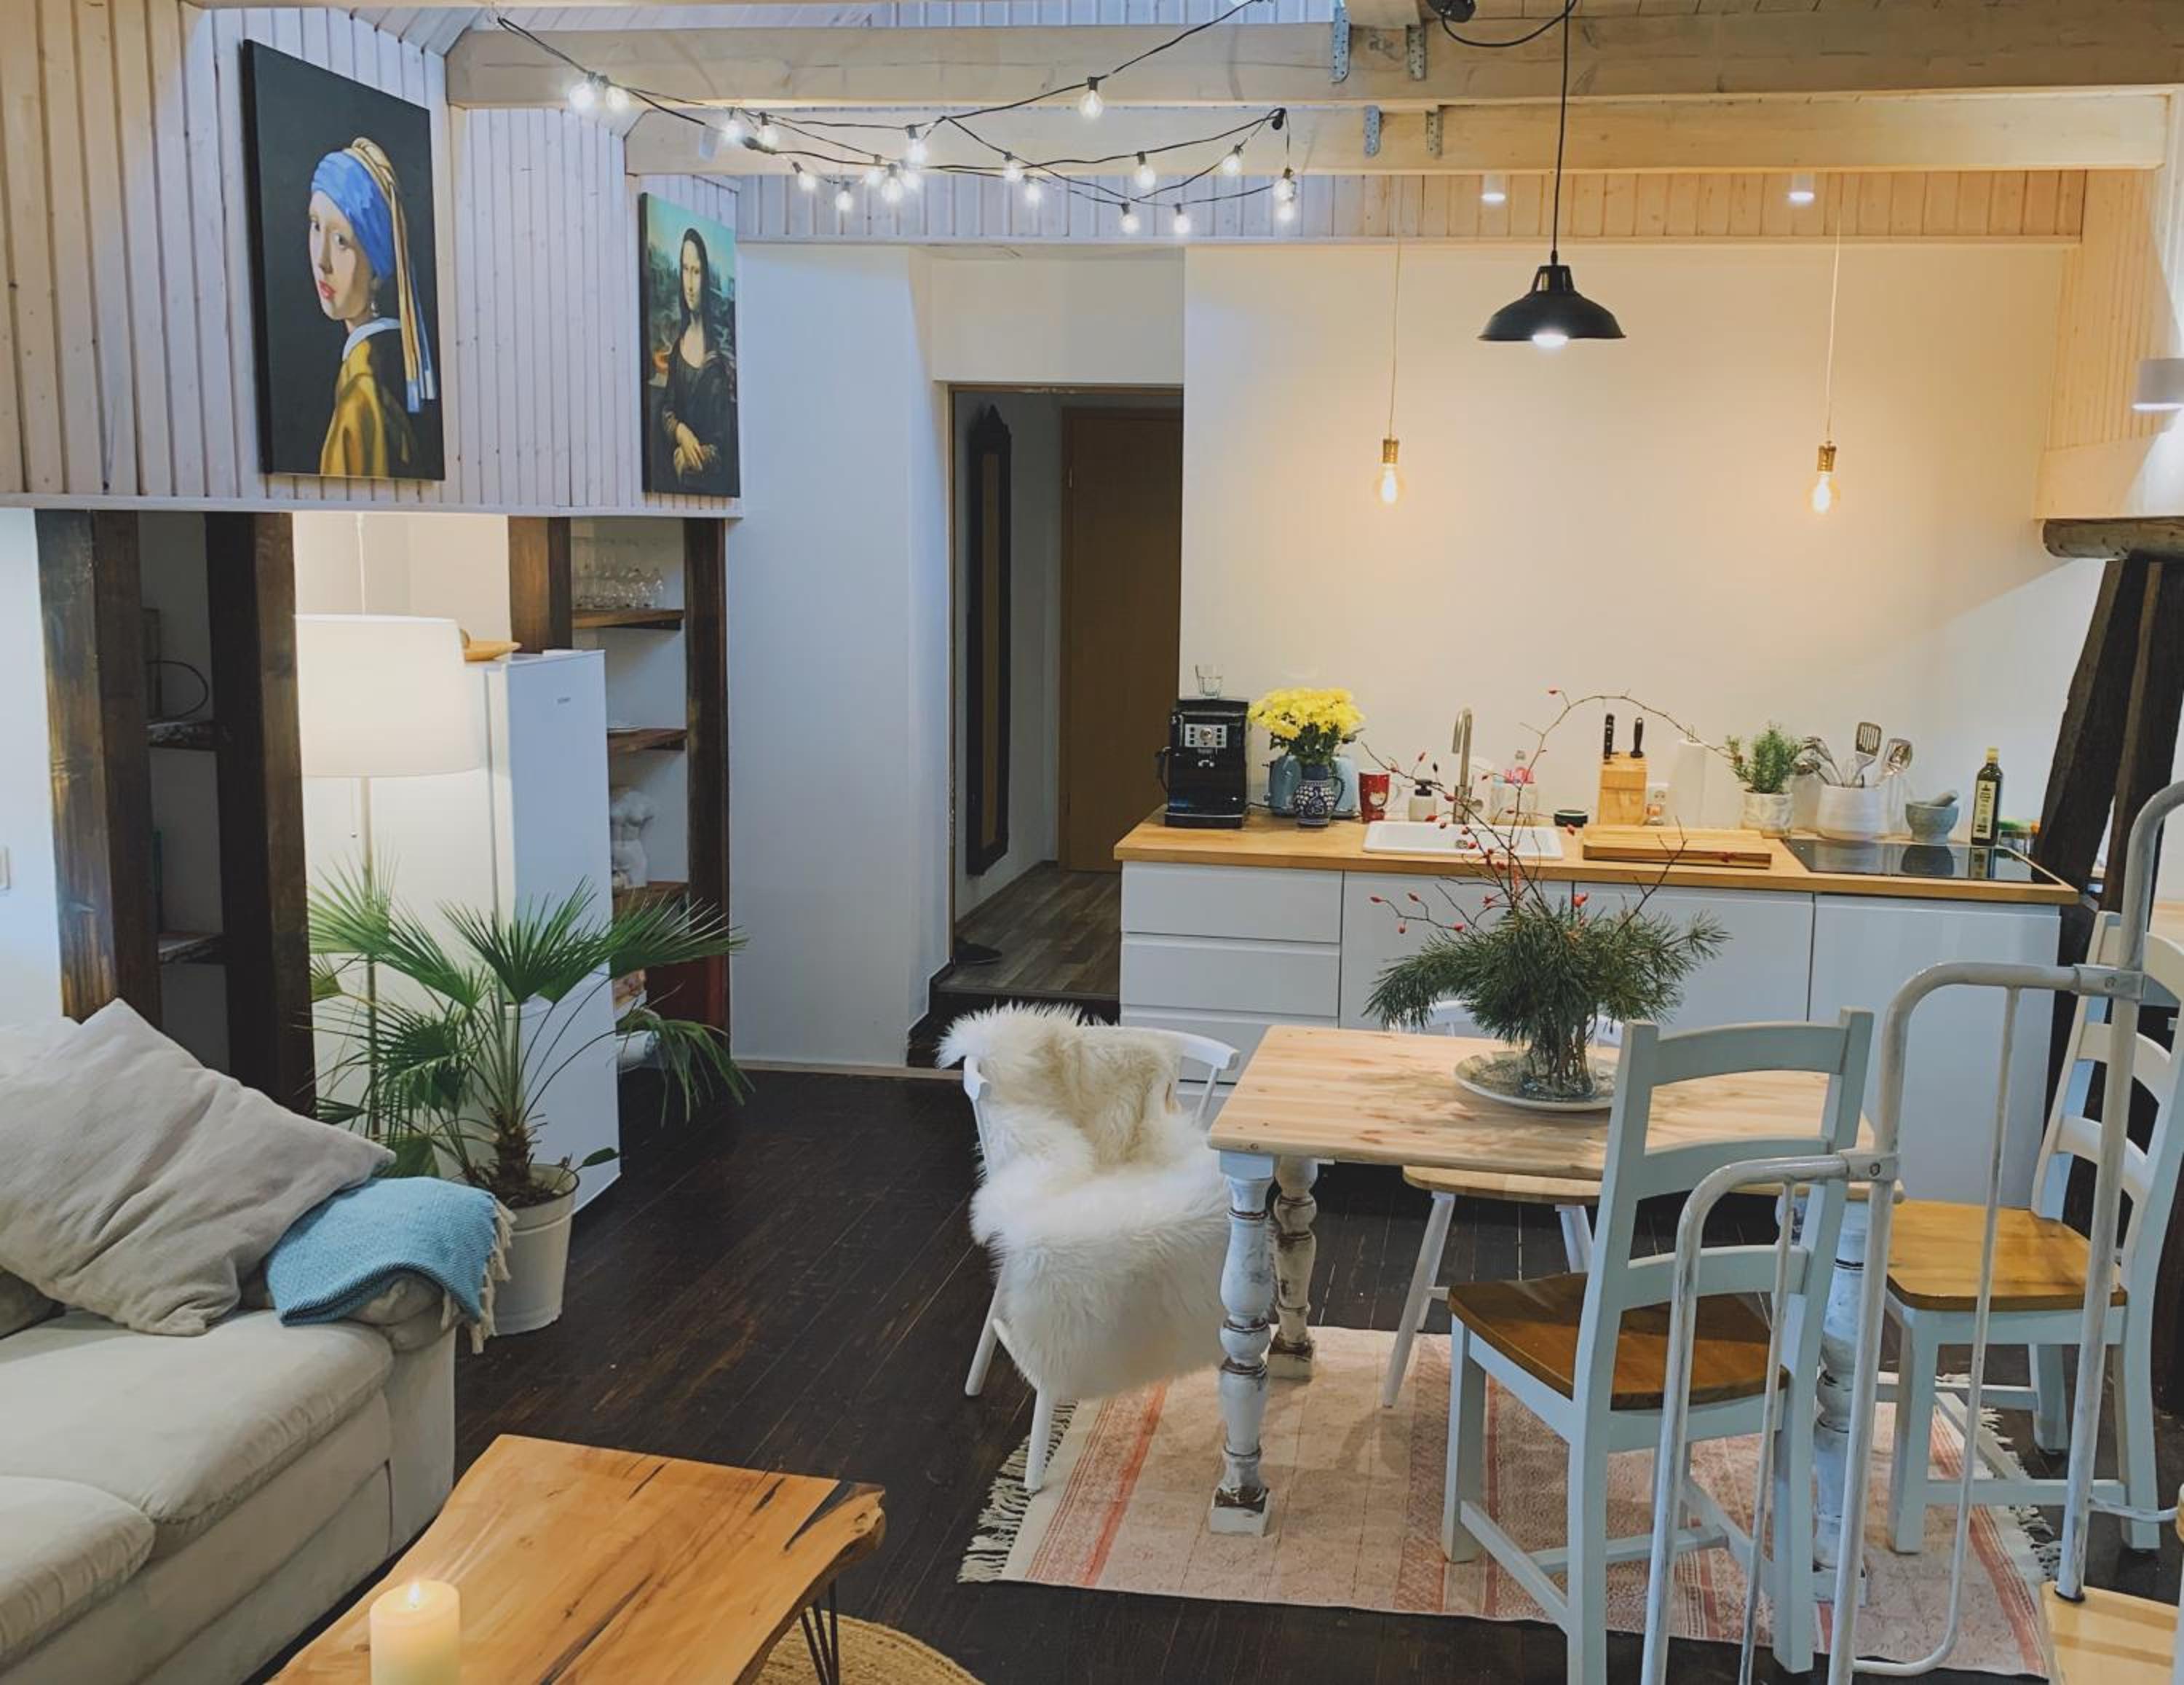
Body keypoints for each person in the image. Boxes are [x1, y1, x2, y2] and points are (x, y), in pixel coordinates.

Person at [307, 138, 436, 478]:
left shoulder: (362, 392)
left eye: (341, 241)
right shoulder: (389, 364)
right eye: (316, 225)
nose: (321, 260)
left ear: (378, 269)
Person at [658, 227, 735, 492]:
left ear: (705, 278)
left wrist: (693, 457)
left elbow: (724, 445)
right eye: (685, 270)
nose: (690, 284)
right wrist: (681, 432)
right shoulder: (678, 349)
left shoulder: (718, 360)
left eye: (696, 272)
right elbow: (667, 409)